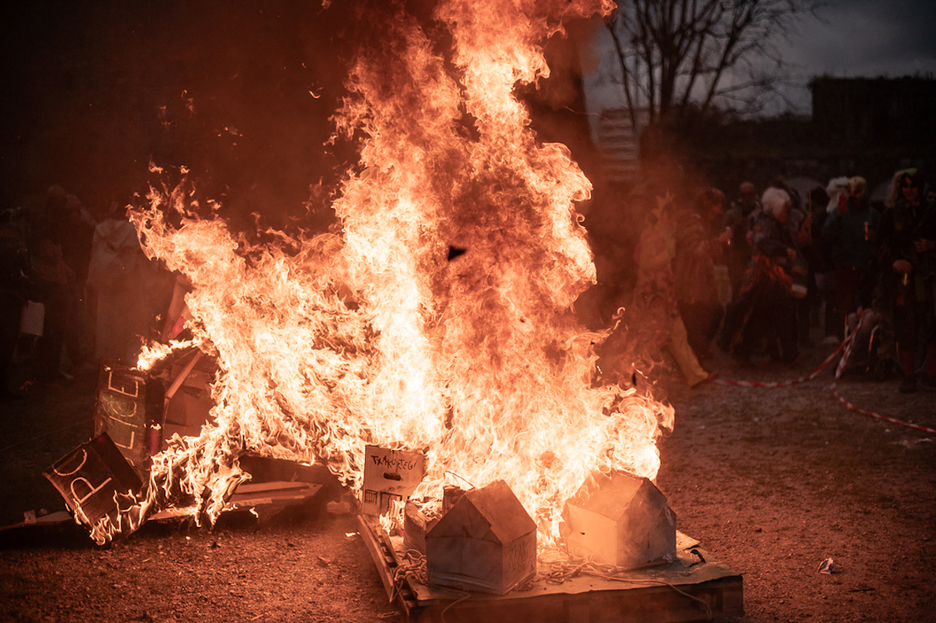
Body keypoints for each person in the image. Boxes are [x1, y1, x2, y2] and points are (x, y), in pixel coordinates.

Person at [722, 187, 801, 364]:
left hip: (771, 280)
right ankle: (784, 354)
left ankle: (779, 353)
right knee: (769, 315)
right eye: (785, 210)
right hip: (763, 278)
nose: (787, 214)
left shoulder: (777, 224)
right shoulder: (765, 224)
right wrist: (784, 252)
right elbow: (763, 243)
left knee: (766, 316)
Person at [875, 169, 936, 393]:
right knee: (906, 328)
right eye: (905, 186)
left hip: (929, 279)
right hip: (903, 280)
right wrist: (894, 262)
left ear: (920, 187)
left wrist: (931, 246)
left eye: (913, 186)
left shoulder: (931, 212)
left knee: (932, 326)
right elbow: (880, 246)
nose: (909, 190)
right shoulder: (891, 214)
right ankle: (908, 376)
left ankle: (931, 374)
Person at [674, 188, 730, 361]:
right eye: (718, 206)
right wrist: (719, 240)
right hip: (690, 282)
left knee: (714, 313)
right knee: (696, 321)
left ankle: (699, 354)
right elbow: (696, 250)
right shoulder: (693, 221)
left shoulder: (702, 221)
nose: (720, 211)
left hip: (700, 282)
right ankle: (697, 357)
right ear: (709, 206)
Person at [822, 176, 881, 340]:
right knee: (845, 307)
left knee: (864, 307)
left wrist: (875, 236)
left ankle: (863, 341)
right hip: (844, 265)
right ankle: (846, 341)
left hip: (865, 268)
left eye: (859, 191)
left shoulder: (872, 214)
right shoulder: (841, 210)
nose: (856, 195)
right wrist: (838, 217)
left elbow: (884, 240)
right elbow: (826, 234)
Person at [723, 181, 760, 302]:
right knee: (737, 292)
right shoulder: (733, 214)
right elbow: (724, 236)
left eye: (749, 194)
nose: (747, 198)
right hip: (738, 257)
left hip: (756, 256)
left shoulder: (760, 211)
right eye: (744, 195)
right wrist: (738, 226)